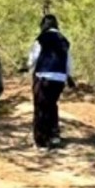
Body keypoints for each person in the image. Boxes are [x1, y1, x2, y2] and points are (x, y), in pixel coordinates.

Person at [28, 13, 74, 149]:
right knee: (52, 105)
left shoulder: (42, 38)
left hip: (44, 76)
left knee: (41, 107)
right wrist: (69, 76)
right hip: (59, 79)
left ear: (43, 25)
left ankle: (42, 141)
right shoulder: (64, 40)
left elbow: (33, 57)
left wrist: (27, 67)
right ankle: (54, 136)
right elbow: (69, 61)